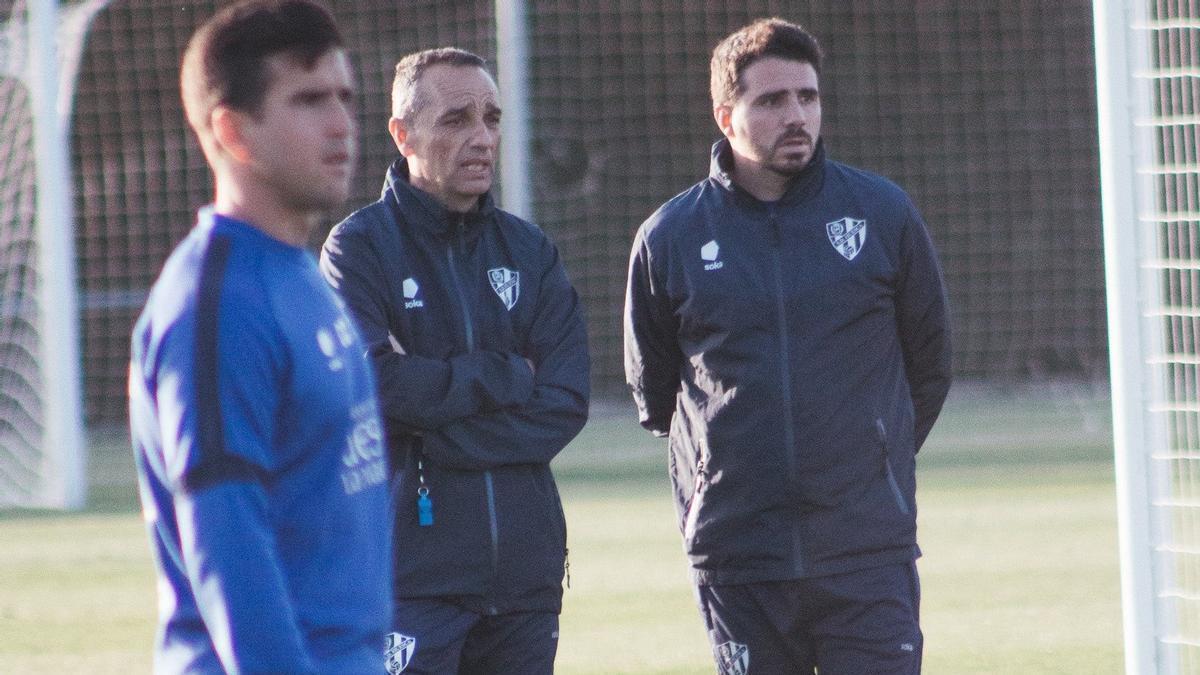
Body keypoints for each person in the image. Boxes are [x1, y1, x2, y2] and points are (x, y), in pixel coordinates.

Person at [624, 18, 952, 675]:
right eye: (772, 101)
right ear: (726, 115)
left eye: (808, 96)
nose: (796, 114)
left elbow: (930, 364)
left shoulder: (882, 214)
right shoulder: (670, 237)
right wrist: (725, 468)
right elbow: (656, 391)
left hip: (864, 550)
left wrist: (870, 453)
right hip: (739, 552)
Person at [128, 1, 391, 672]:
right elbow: (226, 543)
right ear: (233, 131)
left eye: (344, 97)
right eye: (308, 100)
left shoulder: (301, 276)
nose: (340, 124)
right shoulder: (216, 304)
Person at [320, 47, 589, 674]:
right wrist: (501, 374)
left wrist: (435, 434)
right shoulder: (358, 250)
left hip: (526, 579)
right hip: (412, 579)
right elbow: (374, 390)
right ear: (402, 133)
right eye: (456, 119)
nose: (482, 138)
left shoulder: (529, 252)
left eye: (491, 119)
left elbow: (565, 401)